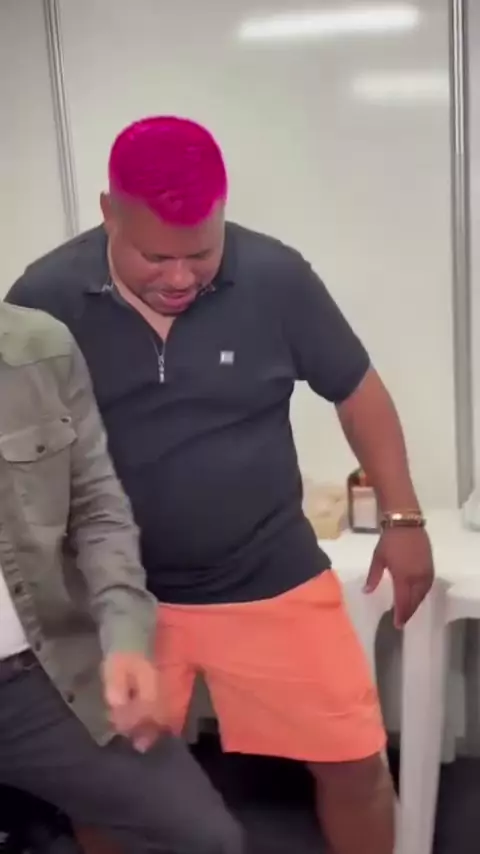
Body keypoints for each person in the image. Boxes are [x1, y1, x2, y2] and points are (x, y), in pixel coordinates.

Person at [6, 116, 435, 854]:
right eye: (155, 256)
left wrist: (403, 518)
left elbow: (357, 389)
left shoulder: (275, 277)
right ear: (109, 213)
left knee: (354, 764)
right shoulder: (45, 299)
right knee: (108, 791)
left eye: (201, 253)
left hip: (270, 574)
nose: (179, 278)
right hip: (116, 598)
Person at [0, 301, 242, 854]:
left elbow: (98, 510)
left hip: (37, 678)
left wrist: (126, 638)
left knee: (205, 839)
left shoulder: (41, 346)